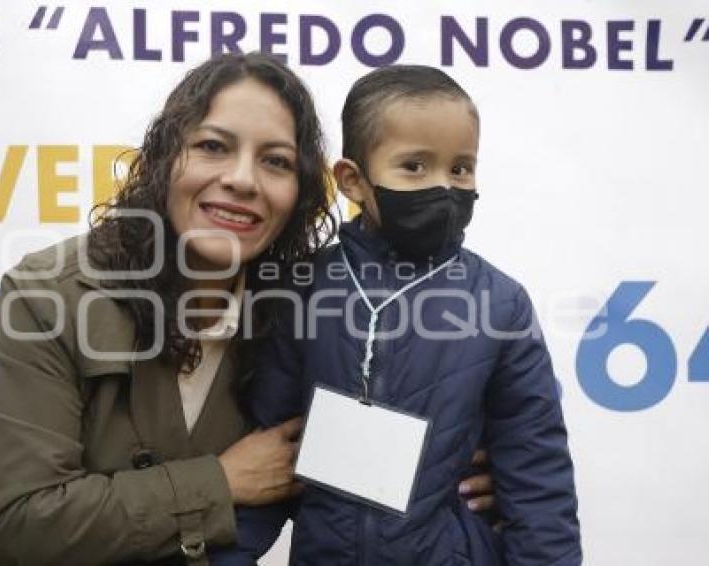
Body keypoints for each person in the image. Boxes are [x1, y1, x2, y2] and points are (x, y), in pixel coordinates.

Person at [0, 53, 497, 565]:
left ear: (301, 192)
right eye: (213, 147)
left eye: (275, 161)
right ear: (163, 158)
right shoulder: (45, 294)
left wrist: (453, 477)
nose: (242, 180)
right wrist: (221, 482)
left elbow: (335, 465)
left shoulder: (304, 313)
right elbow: (24, 524)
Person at [216, 65, 581, 565]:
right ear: (352, 180)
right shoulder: (301, 289)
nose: (445, 187)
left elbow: (538, 475)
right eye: (414, 166)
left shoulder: (501, 303)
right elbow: (268, 448)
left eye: (461, 168)